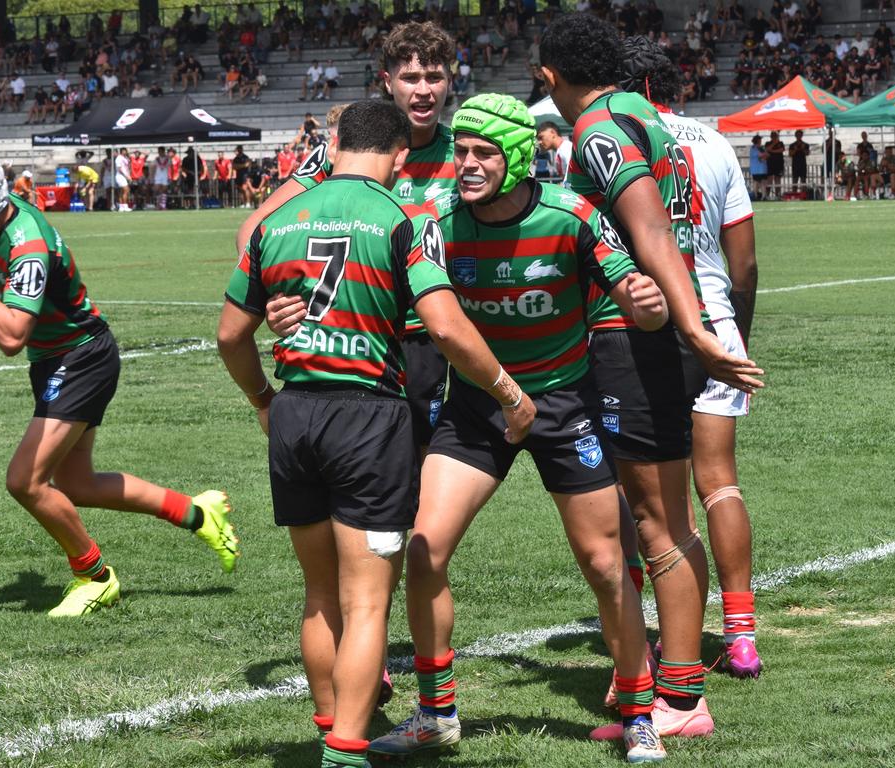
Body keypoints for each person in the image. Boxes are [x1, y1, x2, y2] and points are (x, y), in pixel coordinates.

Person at [216, 99, 534, 768]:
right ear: (397, 156)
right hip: (366, 418)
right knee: (368, 602)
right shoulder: (398, 219)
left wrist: (261, 398)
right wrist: (507, 390)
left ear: (334, 145)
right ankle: (346, 750)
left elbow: (230, 334)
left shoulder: (276, 223)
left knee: (319, 594)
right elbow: (445, 328)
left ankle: (329, 720)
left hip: (295, 411)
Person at [367, 93, 670, 764]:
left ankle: (639, 709)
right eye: (461, 152)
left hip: (564, 406)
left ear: (514, 157)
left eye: (482, 154)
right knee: (425, 549)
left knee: (603, 563)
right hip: (479, 408)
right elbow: (373, 284)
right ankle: (436, 712)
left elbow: (633, 297)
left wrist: (646, 306)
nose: (466, 165)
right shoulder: (436, 222)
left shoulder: (573, 215)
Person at [539, 13, 763, 739]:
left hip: (636, 342)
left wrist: (692, 324)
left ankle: (683, 699)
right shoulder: (639, 112)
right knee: (658, 518)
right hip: (646, 337)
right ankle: (664, 686)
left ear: (550, 77)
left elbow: (653, 231)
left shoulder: (599, 130)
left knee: (657, 521)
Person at [0, 149, 239, 617]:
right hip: (59, 359)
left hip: (79, 359)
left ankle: (94, 576)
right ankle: (197, 513)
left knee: (24, 480)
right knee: (75, 483)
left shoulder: (25, 244)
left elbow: (12, 336)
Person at [245, 21, 461, 455]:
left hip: (424, 340)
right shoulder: (342, 150)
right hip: (353, 336)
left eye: (435, 77)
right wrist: (276, 298)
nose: (424, 91)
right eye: (411, 77)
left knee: (419, 467)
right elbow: (253, 229)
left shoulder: (464, 153)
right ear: (387, 81)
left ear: (450, 80)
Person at [621, 36, 763, 680]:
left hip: (647, 329)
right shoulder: (714, 143)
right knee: (720, 481)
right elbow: (746, 263)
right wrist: (734, 338)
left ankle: (655, 638)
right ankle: (740, 637)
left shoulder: (614, 138)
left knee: (642, 499)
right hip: (715, 321)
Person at [764, 130, 785, 199]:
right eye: (773, 136)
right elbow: (767, 149)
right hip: (770, 164)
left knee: (777, 179)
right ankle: (767, 195)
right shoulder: (768, 143)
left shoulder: (781, 143)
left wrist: (772, 151)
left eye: (775, 136)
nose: (774, 137)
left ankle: (777, 195)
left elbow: (781, 150)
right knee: (769, 180)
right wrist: (773, 143)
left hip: (779, 164)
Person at [114, 146, 132, 211]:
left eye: (126, 151)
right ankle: (125, 206)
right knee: (126, 190)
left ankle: (121, 207)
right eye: (124, 151)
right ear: (121, 151)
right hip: (120, 176)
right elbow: (119, 169)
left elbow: (128, 166)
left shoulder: (125, 158)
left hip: (124, 176)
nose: (126, 152)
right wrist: (127, 176)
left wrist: (128, 175)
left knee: (122, 191)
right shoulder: (118, 158)